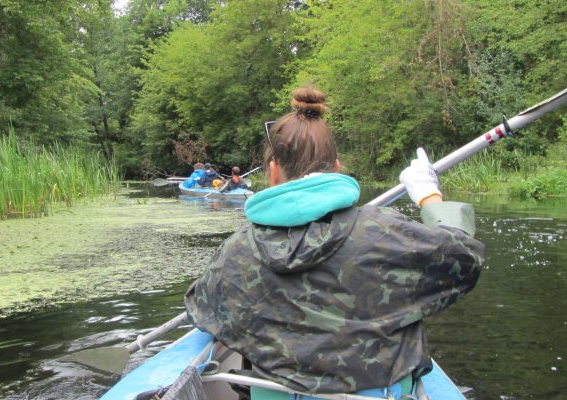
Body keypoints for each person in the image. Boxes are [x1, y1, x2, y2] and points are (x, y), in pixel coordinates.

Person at [185, 87, 485, 394]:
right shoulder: (385, 233)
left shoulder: (236, 251)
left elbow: (201, 307)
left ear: (273, 172)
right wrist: (427, 194)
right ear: (337, 167)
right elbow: (465, 257)